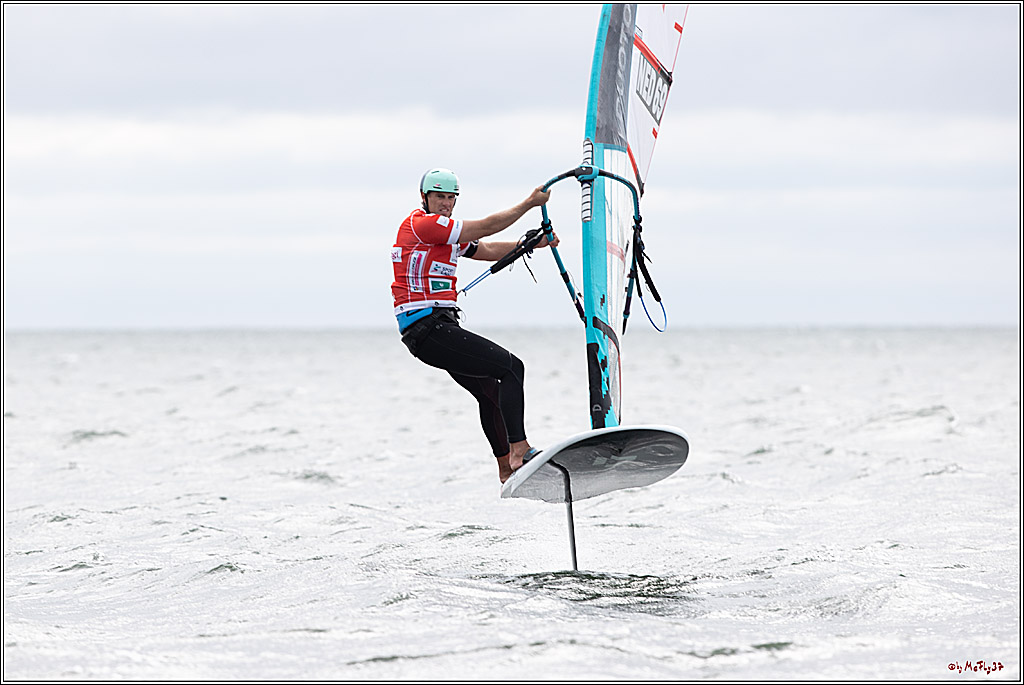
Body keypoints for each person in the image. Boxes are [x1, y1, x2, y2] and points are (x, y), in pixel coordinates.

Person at [391, 168, 557, 484]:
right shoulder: (424, 225)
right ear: (425, 198)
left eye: (451, 198)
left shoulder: (447, 236)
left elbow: (488, 249)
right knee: (511, 368)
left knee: (490, 392)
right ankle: (519, 449)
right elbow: (486, 226)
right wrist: (528, 204)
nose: (446, 204)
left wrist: (534, 244)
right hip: (427, 328)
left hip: (434, 329)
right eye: (439, 197)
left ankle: (505, 468)